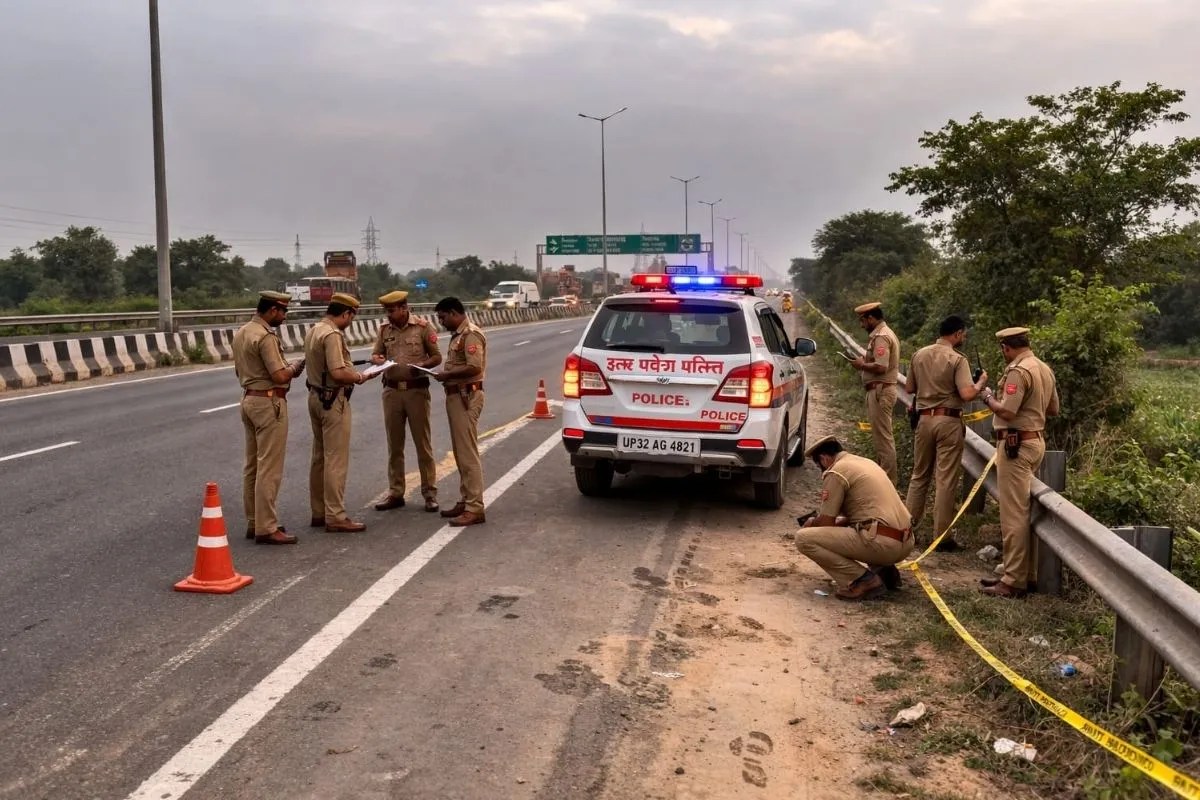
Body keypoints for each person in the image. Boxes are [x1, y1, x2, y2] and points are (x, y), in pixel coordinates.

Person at [976, 327, 1059, 598]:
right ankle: (1027, 574)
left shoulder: (1018, 370)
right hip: (1035, 441)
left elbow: (1008, 411)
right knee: (1025, 511)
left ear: (1006, 348)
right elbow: (1053, 409)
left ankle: (1012, 580)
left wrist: (988, 397)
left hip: (1016, 444)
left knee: (1013, 514)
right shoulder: (1043, 368)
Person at [903, 315, 989, 550]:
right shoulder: (957, 359)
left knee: (919, 476)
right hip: (948, 421)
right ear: (957, 334)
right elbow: (967, 394)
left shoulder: (919, 354)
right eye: (964, 334)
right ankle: (942, 537)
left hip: (924, 421)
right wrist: (980, 382)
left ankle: (906, 530)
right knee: (945, 480)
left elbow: (909, 388)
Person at [795, 436, 915, 601]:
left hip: (884, 544)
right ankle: (885, 571)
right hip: (906, 542)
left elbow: (825, 523)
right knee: (859, 528)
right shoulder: (865, 463)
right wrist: (841, 522)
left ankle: (864, 581)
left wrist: (811, 524)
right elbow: (866, 514)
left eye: (819, 466)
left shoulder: (836, 471)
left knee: (804, 539)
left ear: (823, 459)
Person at [232, 290, 305, 545]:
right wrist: (295, 367)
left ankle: (254, 521)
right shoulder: (265, 337)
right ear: (273, 310)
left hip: (249, 399)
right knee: (269, 468)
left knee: (252, 465)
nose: (284, 317)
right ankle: (267, 527)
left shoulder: (243, 332)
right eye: (283, 312)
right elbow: (280, 376)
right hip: (268, 402)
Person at [303, 292, 378, 533]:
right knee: (335, 459)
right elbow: (338, 372)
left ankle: (319, 512)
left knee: (320, 458)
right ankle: (335, 515)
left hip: (315, 396)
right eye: (351, 318)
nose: (349, 323)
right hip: (333, 400)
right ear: (346, 313)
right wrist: (361, 377)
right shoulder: (333, 334)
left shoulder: (315, 329)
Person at [371, 290, 443, 513]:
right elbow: (376, 354)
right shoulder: (384, 330)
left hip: (416, 392)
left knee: (423, 445)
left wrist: (422, 365)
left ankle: (429, 493)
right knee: (395, 446)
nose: (389, 315)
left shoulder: (422, 327)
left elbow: (437, 356)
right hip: (392, 393)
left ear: (404, 308)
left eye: (392, 311)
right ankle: (396, 492)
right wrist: (378, 359)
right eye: (387, 312)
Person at [431, 297, 487, 527]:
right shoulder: (458, 336)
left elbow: (475, 366)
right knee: (460, 452)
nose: (442, 323)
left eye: (443, 317)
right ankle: (466, 499)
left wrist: (448, 375)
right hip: (456, 395)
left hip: (467, 396)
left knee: (467, 454)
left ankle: (475, 507)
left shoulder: (470, 334)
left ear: (454, 313)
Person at [850, 301, 900, 483]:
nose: (861, 325)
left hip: (881, 391)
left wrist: (862, 365)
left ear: (871, 318)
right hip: (879, 390)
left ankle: (887, 483)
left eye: (863, 320)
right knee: (881, 439)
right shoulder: (881, 334)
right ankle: (884, 480)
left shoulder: (881, 336)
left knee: (884, 440)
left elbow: (881, 366)